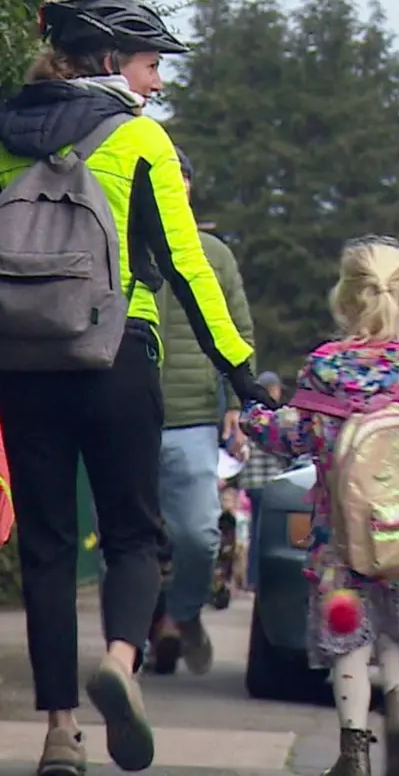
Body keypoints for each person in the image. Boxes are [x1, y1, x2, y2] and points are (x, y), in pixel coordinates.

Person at [0, 0, 273, 776]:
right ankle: (121, 660)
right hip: (117, 355)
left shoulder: (6, 133)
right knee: (133, 536)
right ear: (110, 61)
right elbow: (188, 265)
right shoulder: (140, 137)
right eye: (151, 65)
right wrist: (241, 371)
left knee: (48, 549)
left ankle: (59, 731)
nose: (156, 83)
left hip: (22, 363)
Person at [241, 235, 399, 776]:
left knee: (349, 641)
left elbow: (294, 435)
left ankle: (354, 750)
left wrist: (253, 418)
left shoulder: (326, 367)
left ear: (344, 297)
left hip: (340, 538)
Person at [148, 147, 255, 675]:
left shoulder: (214, 254)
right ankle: (139, 638)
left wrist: (236, 403)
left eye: (181, 176)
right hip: (123, 417)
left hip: (191, 418)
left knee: (198, 534)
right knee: (126, 541)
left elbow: (238, 331)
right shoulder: (118, 244)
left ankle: (182, 613)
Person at [240, 371, 288, 588]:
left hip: (251, 482)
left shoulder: (249, 412)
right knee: (268, 533)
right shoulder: (273, 415)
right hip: (270, 482)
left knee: (255, 531)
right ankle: (263, 579)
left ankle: (253, 578)